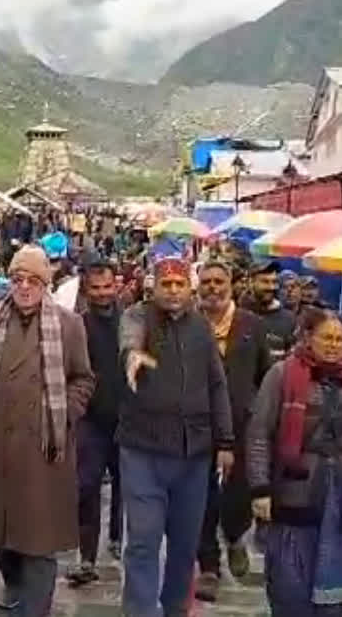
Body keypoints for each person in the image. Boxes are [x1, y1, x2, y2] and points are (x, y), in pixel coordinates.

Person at [0, 245, 95, 616]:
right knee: (4, 538)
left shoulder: (68, 325)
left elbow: (83, 379)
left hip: (45, 453)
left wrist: (64, 412)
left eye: (33, 280)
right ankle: (13, 584)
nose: (24, 287)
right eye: (17, 279)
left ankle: (34, 608)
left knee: (39, 543)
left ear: (46, 283)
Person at [118, 257, 234, 617]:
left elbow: (217, 384)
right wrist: (134, 354)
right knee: (143, 540)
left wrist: (226, 442)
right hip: (143, 449)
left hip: (193, 453)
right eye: (164, 284)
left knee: (185, 545)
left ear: (189, 288)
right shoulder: (138, 315)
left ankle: (174, 610)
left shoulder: (200, 328)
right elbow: (130, 338)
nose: (171, 291)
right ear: (153, 286)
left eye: (178, 284)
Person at [247, 307, 342, 617]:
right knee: (290, 583)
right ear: (308, 338)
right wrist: (259, 489)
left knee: (337, 584)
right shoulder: (282, 375)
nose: (333, 345)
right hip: (296, 490)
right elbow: (259, 433)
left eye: (339, 339)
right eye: (326, 338)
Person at [193, 261, 272, 603]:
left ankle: (236, 536)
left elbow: (265, 374)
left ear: (231, 284)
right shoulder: (189, 324)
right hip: (197, 426)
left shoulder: (252, 325)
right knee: (201, 498)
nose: (212, 288)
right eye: (206, 282)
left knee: (237, 495)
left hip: (242, 427)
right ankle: (208, 566)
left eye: (218, 281)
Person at [67, 261, 127, 587]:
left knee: (126, 486)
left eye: (107, 287)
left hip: (128, 419)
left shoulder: (131, 321)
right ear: (86, 289)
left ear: (115, 286)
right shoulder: (78, 325)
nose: (103, 294)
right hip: (90, 420)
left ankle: (119, 541)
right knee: (86, 487)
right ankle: (87, 556)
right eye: (96, 288)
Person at [250, 261, 297, 359]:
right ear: (251, 282)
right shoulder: (237, 314)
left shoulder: (289, 319)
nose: (271, 287)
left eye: (274, 282)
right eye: (265, 282)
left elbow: (292, 361)